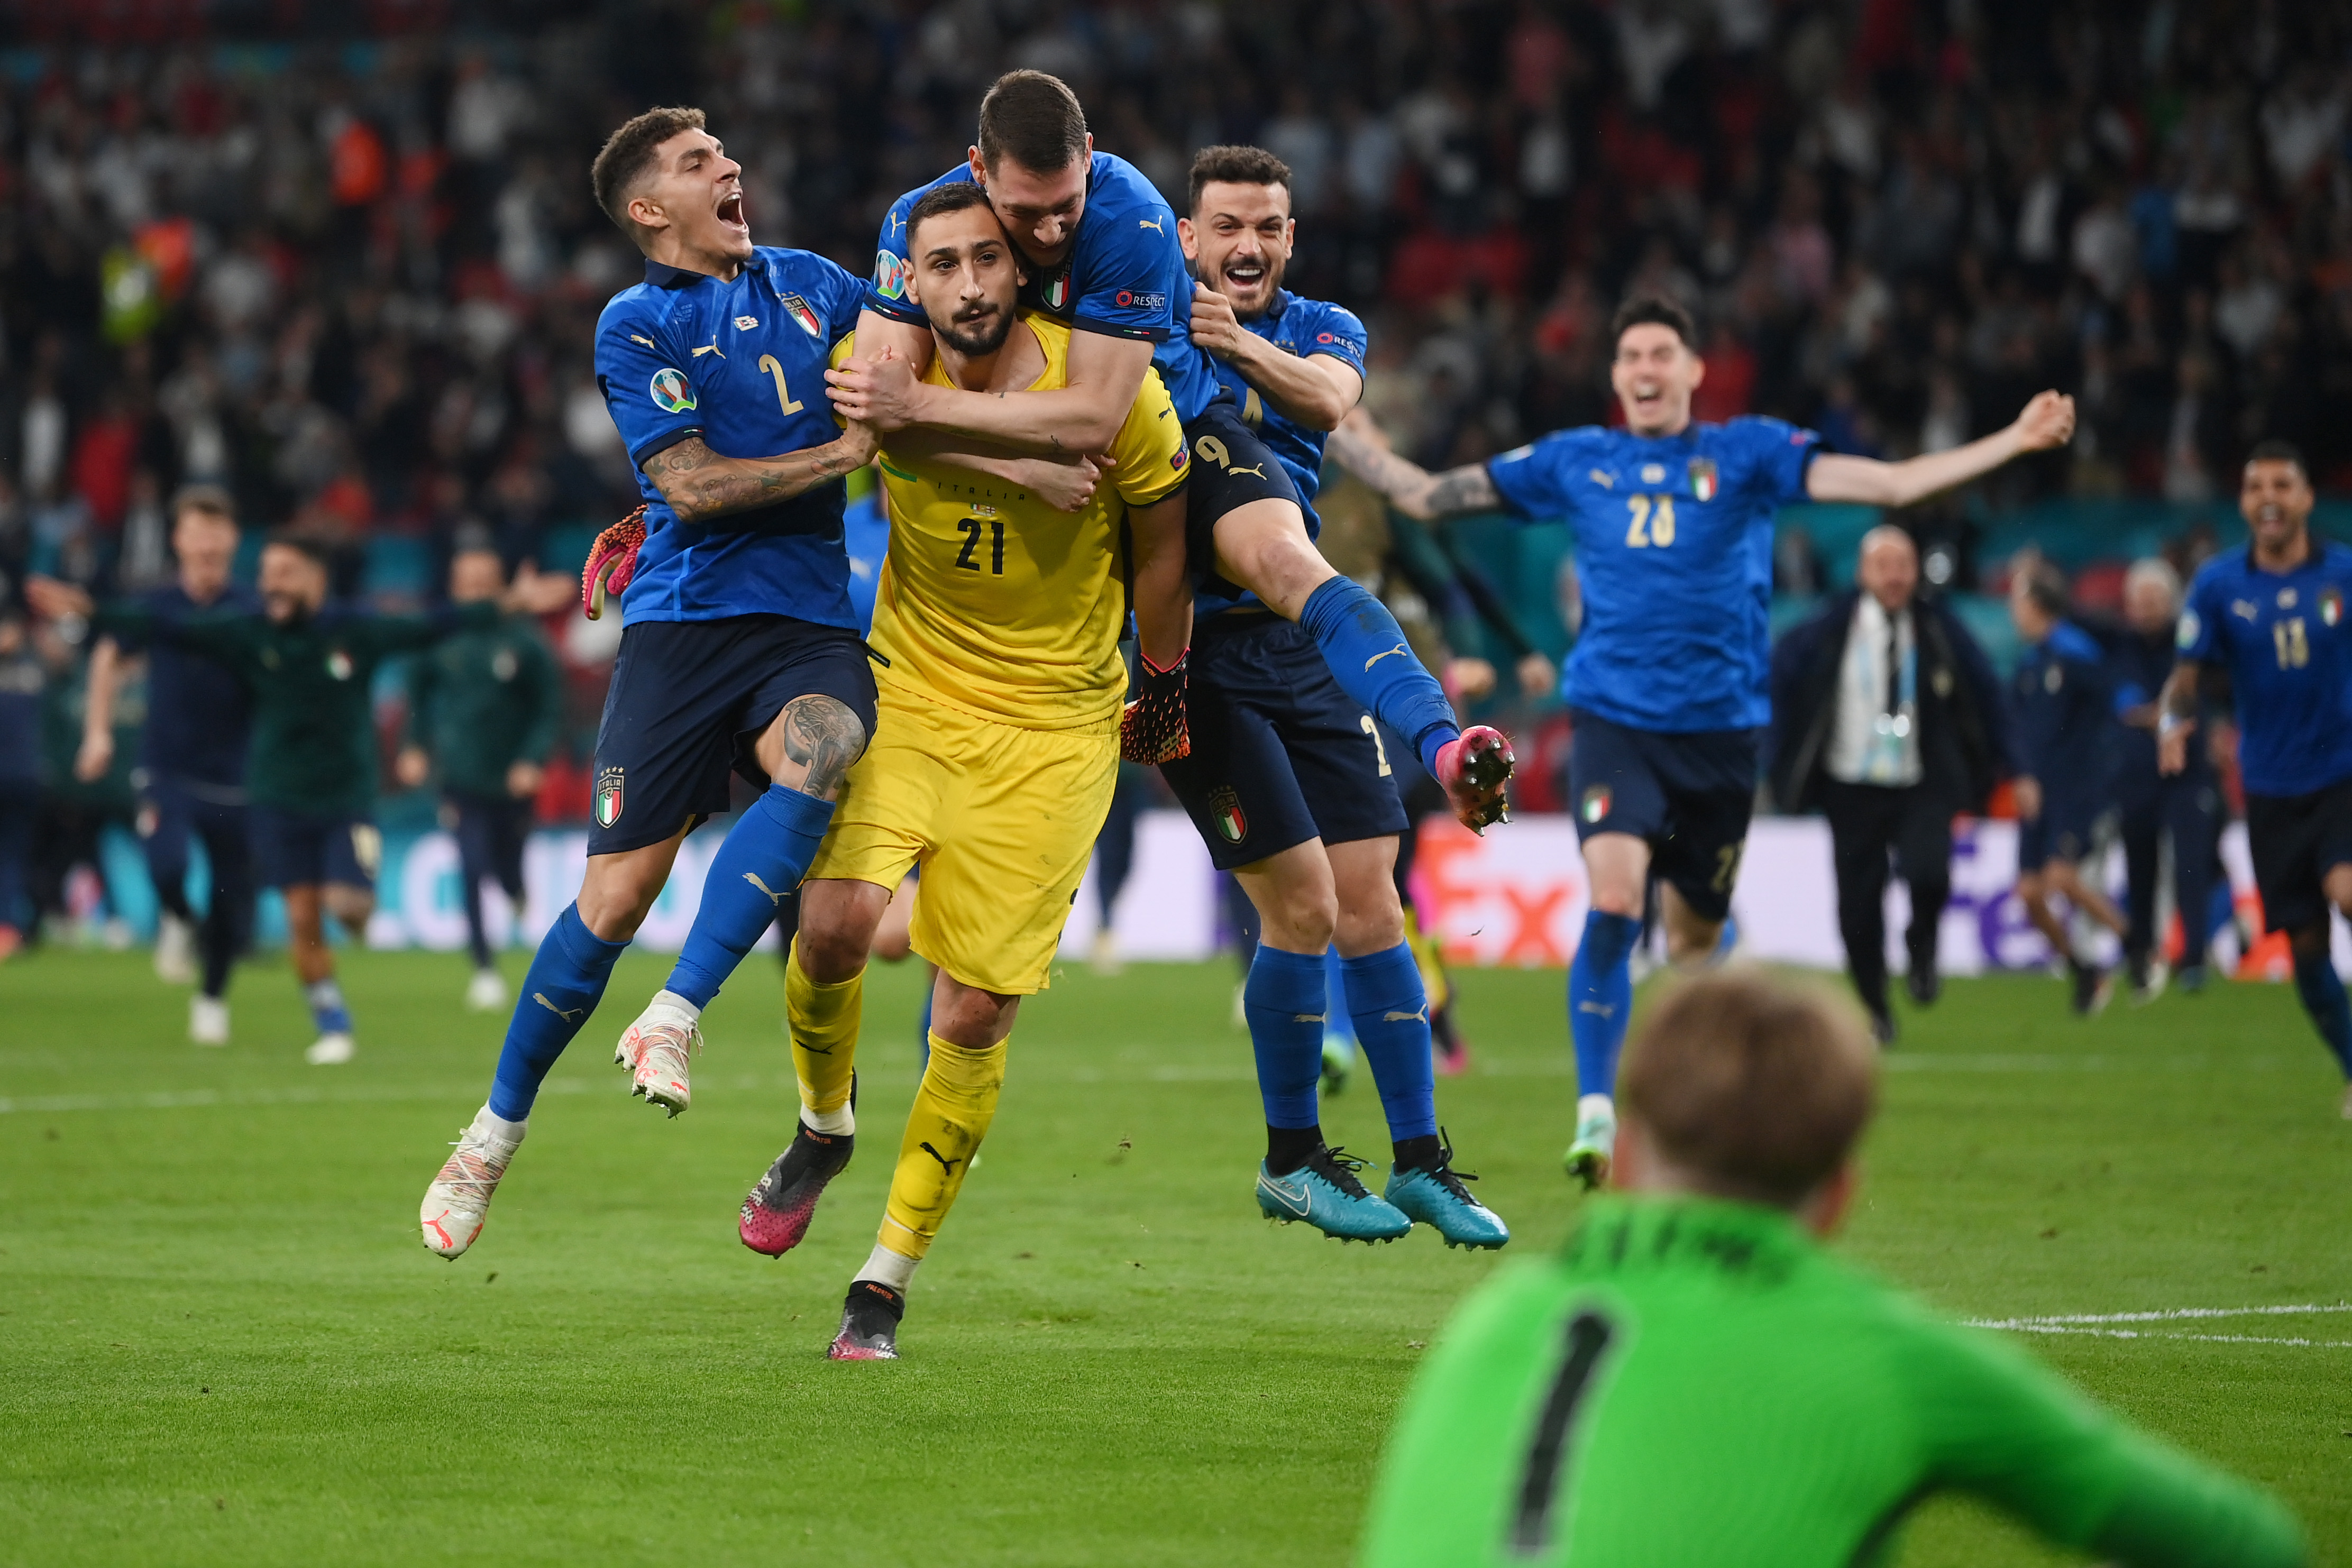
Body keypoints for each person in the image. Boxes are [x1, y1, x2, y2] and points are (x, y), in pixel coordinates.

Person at [1328, 295, 2076, 1185]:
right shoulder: (1577, 462)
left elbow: (1888, 486)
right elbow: (1424, 494)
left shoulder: (1746, 453)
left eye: (1661, 355)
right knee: (1611, 902)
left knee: (1689, 941)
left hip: (1720, 739)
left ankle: (1725, 987)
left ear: (1691, 373)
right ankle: (1597, 1116)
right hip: (1614, 724)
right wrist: (1328, 416)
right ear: (1614, 378)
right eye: (1630, 356)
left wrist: (2014, 441)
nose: (1644, 370)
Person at [1355, 968, 2307, 1568]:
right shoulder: (1883, 1356)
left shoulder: (1493, 1322)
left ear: (1630, 1159)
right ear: (1841, 1194)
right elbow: (2250, 1545)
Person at [731, 182, 1192, 1359]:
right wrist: (1023, 466)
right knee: (830, 924)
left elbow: (1165, 537)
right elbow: (834, 434)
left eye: (990, 259)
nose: (972, 285)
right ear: (911, 282)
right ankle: (822, 1127)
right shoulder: (871, 365)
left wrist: (1166, 678)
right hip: (917, 689)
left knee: (975, 1010)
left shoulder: (1111, 393)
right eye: (943, 266)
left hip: (1053, 725)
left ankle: (882, 1281)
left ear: (1023, 270)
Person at [414, 106, 882, 1260]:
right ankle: (491, 1135)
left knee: (822, 750)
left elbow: (924, 352)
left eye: (724, 151)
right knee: (613, 903)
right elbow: (694, 488)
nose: (727, 165)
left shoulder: (816, 282)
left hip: (810, 624)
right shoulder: (637, 323)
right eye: (694, 163)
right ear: (647, 210)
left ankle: (673, 1015)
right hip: (681, 628)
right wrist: (847, 454)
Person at [829, 70, 1513, 837]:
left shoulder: (1133, 219)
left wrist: (921, 405)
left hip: (1175, 432)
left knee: (1289, 564)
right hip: (1023, 475)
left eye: (1066, 208)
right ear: (978, 171)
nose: (1053, 233)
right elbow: (872, 399)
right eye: (1026, 214)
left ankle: (1443, 745)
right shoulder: (923, 226)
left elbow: (1090, 418)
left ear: (1089, 156)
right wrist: (1009, 461)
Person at [1161, 144, 1506, 1248]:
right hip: (1189, 656)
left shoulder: (1322, 328)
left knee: (1373, 906)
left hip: (1300, 648)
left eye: (1267, 226)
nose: (1248, 245)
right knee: (1300, 906)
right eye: (1227, 227)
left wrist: (1238, 342)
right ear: (1188, 237)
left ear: (1291, 236)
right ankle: (1290, 1158)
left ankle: (1420, 1162)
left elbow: (1334, 402)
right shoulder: (1144, 321)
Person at [31, 536, 544, 1063]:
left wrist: (509, 603)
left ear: (316, 579)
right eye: (268, 573)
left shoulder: (356, 629)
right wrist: (92, 610)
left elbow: (433, 623)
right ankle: (331, 1019)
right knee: (302, 920)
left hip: (346, 798)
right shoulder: (248, 633)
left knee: (349, 907)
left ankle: (352, 924)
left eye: (286, 573)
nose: (271, 584)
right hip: (278, 798)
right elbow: (167, 627)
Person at [2162, 441, 2352, 1115]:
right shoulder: (2216, 585)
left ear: (2305, 498)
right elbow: (2184, 683)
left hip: (2342, 773)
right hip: (2270, 787)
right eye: (2253, 486)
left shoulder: (2343, 572)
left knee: (2347, 890)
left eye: (2281, 484)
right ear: (2242, 502)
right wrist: (2171, 725)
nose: (2267, 496)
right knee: (2306, 949)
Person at [1768, 526, 2010, 1043]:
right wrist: (1776, 763)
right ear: (1861, 572)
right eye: (1883, 564)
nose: (1894, 575)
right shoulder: (1826, 630)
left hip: (1921, 778)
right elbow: (1778, 688)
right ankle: (1874, 1004)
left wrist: (2012, 766)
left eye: (1902, 564)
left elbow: (1986, 693)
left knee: (1929, 872)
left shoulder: (1940, 628)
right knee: (1857, 905)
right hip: (1849, 780)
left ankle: (1922, 943)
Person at [77, 486, 258, 1042]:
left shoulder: (252, 609)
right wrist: (97, 731)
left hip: (236, 775)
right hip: (167, 768)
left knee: (231, 895)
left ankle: (212, 998)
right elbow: (109, 654)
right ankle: (178, 916)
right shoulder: (157, 606)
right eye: (195, 532)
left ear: (232, 539)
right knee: (167, 865)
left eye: (216, 531)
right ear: (177, 539)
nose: (205, 543)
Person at [395, 545, 563, 1012]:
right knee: (470, 863)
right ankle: (484, 967)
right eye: (466, 583)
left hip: (511, 780)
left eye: (483, 582)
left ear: (500, 585)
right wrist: (413, 745)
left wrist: (531, 759)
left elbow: (547, 708)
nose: (474, 592)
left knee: (505, 864)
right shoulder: (440, 640)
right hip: (459, 776)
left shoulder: (524, 641)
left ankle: (515, 889)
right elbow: (416, 695)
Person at [2008, 560, 2129, 1014]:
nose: (2012, 612)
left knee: (2060, 878)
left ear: (2036, 604)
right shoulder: (2028, 663)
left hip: (2072, 789)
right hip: (2034, 793)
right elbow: (2014, 727)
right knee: (2029, 895)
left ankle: (2133, 942)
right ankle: (2082, 967)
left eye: (2017, 601)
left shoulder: (2075, 653)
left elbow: (2115, 699)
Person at [2110, 557, 2221, 1001]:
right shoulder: (2120, 647)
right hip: (2137, 772)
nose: (2147, 608)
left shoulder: (2192, 644)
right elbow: (2124, 699)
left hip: (2188, 771)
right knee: (2140, 867)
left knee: (2192, 864)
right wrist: (2161, 714)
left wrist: (2160, 715)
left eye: (2155, 599)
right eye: (2140, 600)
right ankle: (2141, 954)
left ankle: (2193, 956)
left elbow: (2199, 693)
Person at [0, 609, 39, 959]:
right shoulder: (33, 668)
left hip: (21, 777)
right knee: (12, 856)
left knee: (13, 855)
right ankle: (9, 927)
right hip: (28, 775)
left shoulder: (32, 668)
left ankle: (9, 927)